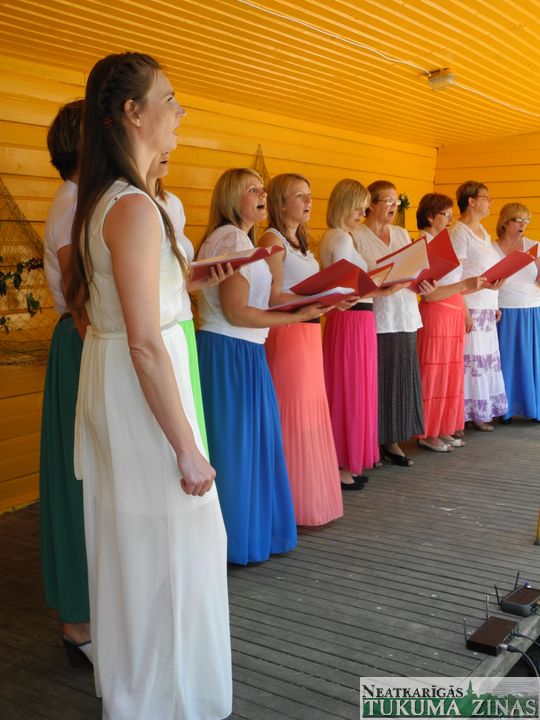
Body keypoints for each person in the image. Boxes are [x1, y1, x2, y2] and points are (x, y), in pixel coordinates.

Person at [68, 52, 231, 719]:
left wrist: (189, 278)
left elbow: (127, 301)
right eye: (169, 98)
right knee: (170, 543)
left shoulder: (111, 199)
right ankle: (163, 700)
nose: (179, 111)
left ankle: (151, 691)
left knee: (139, 544)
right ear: (133, 113)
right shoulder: (133, 206)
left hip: (123, 378)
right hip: (142, 389)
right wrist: (187, 448)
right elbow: (142, 340)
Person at [196, 167, 326, 563]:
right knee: (236, 447)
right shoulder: (231, 239)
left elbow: (259, 300)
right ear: (231, 198)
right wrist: (295, 317)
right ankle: (235, 541)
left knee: (251, 444)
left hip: (245, 350)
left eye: (262, 190)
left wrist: (311, 304)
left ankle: (249, 534)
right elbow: (236, 312)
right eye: (252, 190)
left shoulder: (242, 238)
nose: (261, 196)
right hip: (229, 350)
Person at [258, 172, 343, 524]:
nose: (308, 201)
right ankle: (289, 502)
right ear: (280, 203)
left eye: (309, 194)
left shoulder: (302, 240)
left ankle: (312, 499)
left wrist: (331, 299)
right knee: (292, 410)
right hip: (288, 331)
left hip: (308, 329)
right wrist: (317, 298)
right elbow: (273, 296)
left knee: (310, 410)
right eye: (299, 195)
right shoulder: (272, 239)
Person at [40, 99, 92, 667]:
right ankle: (79, 622)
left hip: (89, 343)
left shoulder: (86, 200)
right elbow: (82, 301)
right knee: (81, 478)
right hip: (84, 346)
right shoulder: (73, 204)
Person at [148, 152, 234, 454]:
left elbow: (177, 273)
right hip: (155, 323)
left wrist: (202, 280)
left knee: (189, 410)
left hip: (183, 318)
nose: (166, 152)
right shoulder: (131, 203)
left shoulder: (171, 202)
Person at [320, 179, 402, 485]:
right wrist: (382, 288)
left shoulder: (340, 236)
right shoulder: (341, 238)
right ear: (344, 205)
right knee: (350, 389)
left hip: (355, 318)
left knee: (352, 386)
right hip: (352, 319)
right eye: (358, 208)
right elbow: (346, 287)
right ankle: (343, 461)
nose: (362, 213)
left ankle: (346, 459)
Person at [354, 180, 434, 466]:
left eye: (396, 201)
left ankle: (393, 440)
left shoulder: (401, 233)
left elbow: (413, 271)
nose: (393, 206)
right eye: (387, 201)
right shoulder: (356, 235)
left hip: (405, 314)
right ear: (370, 205)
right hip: (376, 316)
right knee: (377, 381)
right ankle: (371, 441)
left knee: (401, 380)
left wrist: (423, 283)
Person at [415, 193, 484, 451]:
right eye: (446, 214)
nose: (450, 220)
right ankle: (428, 432)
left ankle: (443, 427)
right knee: (434, 373)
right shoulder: (422, 243)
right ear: (430, 216)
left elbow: (455, 283)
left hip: (454, 312)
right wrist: (464, 285)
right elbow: (429, 294)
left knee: (450, 373)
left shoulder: (444, 242)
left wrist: (465, 310)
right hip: (437, 313)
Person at [451, 181, 507, 431]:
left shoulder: (483, 231)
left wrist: (494, 301)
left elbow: (486, 271)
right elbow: (455, 276)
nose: (490, 202)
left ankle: (479, 412)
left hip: (485, 306)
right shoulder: (459, 233)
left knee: (484, 362)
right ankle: (460, 415)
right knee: (469, 364)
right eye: (486, 197)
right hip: (469, 306)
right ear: (471, 201)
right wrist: (463, 310)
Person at [494, 202, 540, 422]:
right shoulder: (491, 248)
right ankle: (506, 410)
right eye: (518, 220)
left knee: (532, 361)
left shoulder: (534, 246)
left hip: (531, 309)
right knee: (507, 362)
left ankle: (534, 407)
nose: (523, 225)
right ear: (505, 222)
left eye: (526, 220)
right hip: (503, 310)